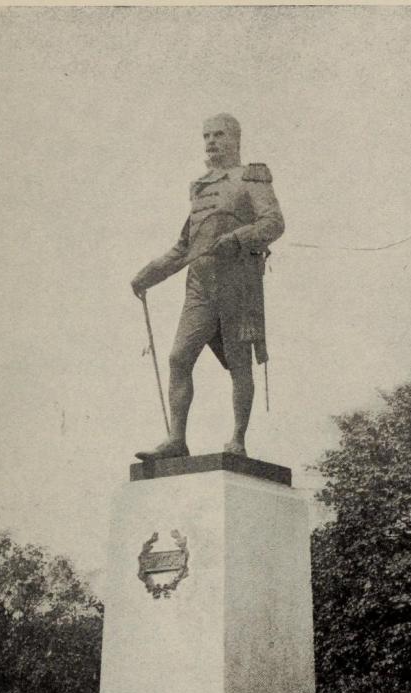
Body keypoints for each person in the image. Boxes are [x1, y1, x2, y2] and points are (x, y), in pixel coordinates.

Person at [131, 113, 284, 459]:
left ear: (235, 139)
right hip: (199, 287)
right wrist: (148, 274)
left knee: (239, 364)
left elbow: (274, 223)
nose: (211, 141)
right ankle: (176, 440)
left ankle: (238, 440)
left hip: (237, 285)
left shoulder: (252, 178)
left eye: (218, 135)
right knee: (178, 358)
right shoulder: (199, 188)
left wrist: (238, 238)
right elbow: (185, 247)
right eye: (206, 136)